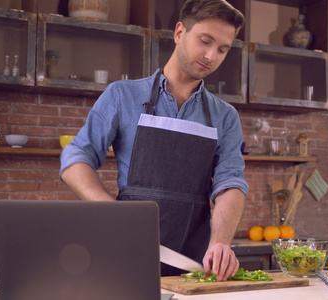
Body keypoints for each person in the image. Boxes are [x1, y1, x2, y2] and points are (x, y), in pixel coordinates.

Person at [59, 0, 248, 281]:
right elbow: (76, 157)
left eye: (222, 49)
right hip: (126, 254)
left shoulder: (225, 116)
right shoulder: (122, 95)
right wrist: (107, 209)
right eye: (205, 41)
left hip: (195, 265)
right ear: (180, 32)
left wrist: (220, 242)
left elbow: (230, 182)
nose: (211, 56)